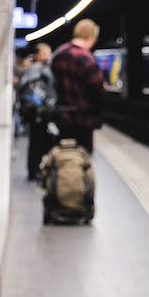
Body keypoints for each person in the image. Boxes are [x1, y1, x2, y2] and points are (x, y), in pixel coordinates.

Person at [50, 18, 104, 153]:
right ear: (91, 36)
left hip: (61, 117)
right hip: (82, 119)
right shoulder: (87, 59)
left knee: (63, 155)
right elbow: (98, 91)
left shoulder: (59, 53)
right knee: (82, 158)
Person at [18, 43, 57, 179]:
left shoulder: (34, 69)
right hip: (39, 113)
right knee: (38, 143)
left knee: (36, 142)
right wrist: (44, 108)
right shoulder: (38, 69)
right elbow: (35, 91)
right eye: (47, 52)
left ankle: (33, 170)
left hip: (37, 112)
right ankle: (34, 171)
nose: (49, 55)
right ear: (39, 54)